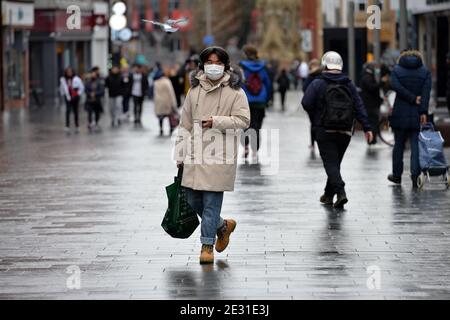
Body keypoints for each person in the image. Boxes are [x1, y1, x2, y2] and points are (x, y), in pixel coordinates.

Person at [175, 46, 250, 264]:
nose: (214, 66)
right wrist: (180, 152)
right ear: (202, 65)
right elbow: (184, 124)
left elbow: (244, 120)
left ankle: (206, 245)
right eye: (210, 62)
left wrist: (216, 121)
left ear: (225, 66)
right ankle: (223, 226)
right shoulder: (194, 91)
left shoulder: (235, 91)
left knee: (210, 203)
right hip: (194, 155)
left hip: (220, 154)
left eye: (218, 63)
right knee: (192, 199)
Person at [302, 51, 374, 209]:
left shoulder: (318, 83)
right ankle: (328, 194)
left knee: (331, 164)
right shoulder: (348, 84)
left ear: (324, 65)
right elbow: (359, 106)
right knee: (334, 163)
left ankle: (341, 192)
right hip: (345, 131)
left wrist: (317, 116)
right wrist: (367, 128)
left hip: (324, 130)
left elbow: (306, 103)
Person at [387, 50, 432, 188]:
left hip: (400, 112)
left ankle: (396, 175)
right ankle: (415, 176)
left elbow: (395, 86)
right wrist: (423, 110)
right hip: (417, 114)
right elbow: (426, 93)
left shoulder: (396, 70)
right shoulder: (425, 72)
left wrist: (410, 97)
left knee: (398, 145)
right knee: (415, 146)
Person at [239, 45, 272, 161]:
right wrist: (268, 99)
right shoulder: (263, 67)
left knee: (245, 124)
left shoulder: (241, 67)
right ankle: (255, 151)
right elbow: (268, 84)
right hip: (260, 100)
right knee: (257, 125)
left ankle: (246, 147)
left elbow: (238, 83)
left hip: (245, 100)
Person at [360, 62, 383, 145]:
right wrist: (380, 83)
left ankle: (372, 139)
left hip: (370, 104)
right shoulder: (367, 77)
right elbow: (372, 87)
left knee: (373, 122)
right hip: (370, 105)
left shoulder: (366, 76)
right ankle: (372, 140)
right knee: (373, 122)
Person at [302, 59, 322, 150]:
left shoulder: (310, 76)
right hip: (321, 104)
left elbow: (304, 89)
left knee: (313, 123)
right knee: (319, 123)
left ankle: (313, 143)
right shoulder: (322, 75)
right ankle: (317, 141)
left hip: (312, 105)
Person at [153, 69, 178, 136]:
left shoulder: (156, 82)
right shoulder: (167, 82)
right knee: (169, 115)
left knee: (161, 116)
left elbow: (154, 93)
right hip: (167, 102)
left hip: (159, 101)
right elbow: (171, 93)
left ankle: (161, 128)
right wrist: (174, 103)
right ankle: (171, 128)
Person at [60, 67, 84, 133]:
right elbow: (62, 88)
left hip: (75, 97)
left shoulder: (77, 79)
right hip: (67, 97)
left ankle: (77, 125)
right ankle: (67, 125)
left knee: (75, 111)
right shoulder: (63, 79)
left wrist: (78, 94)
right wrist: (63, 95)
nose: (69, 73)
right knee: (67, 111)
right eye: (68, 72)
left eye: (70, 72)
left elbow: (81, 87)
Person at [85, 68, 105, 132]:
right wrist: (90, 94)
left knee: (97, 112)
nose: (93, 75)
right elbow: (86, 90)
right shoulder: (88, 82)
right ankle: (90, 123)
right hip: (89, 100)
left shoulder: (99, 81)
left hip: (97, 100)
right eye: (92, 74)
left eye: (94, 74)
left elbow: (102, 91)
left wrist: (95, 94)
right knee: (89, 112)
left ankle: (96, 123)